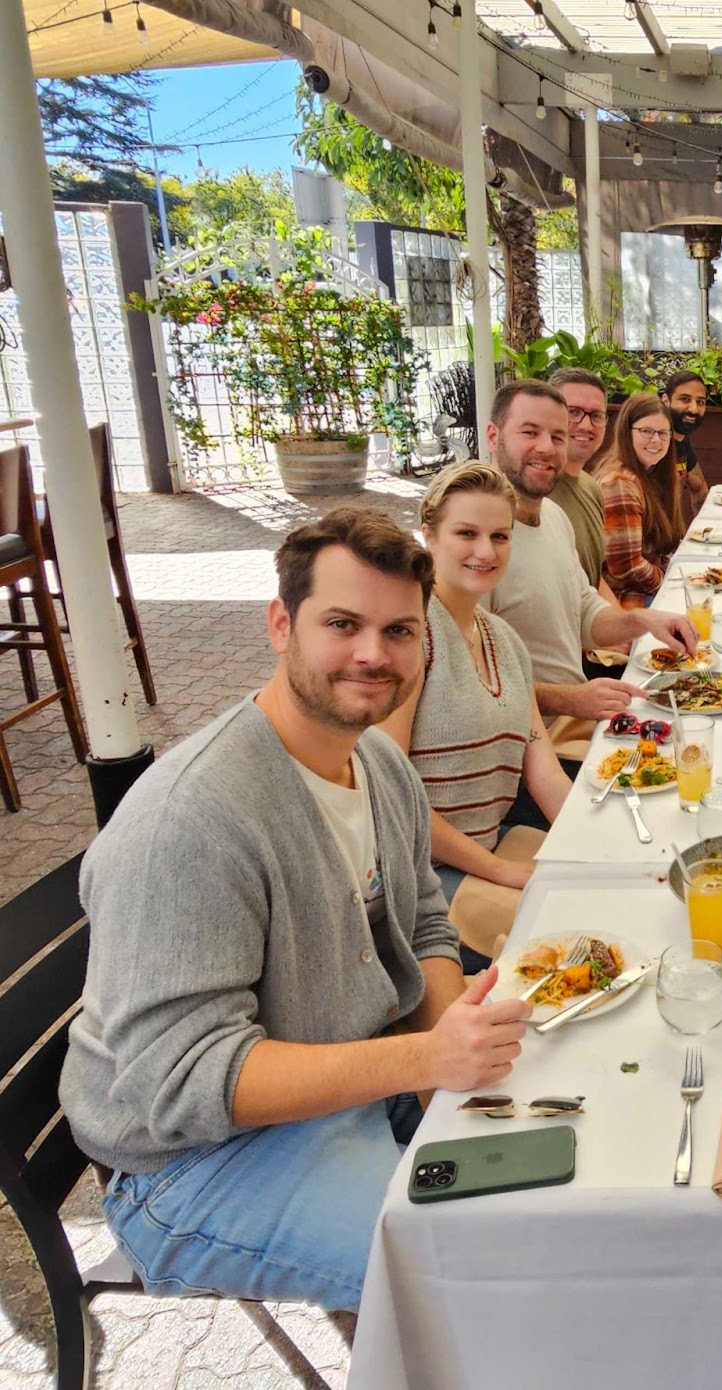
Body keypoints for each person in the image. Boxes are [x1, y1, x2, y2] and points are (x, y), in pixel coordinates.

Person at [60, 508, 532, 1313]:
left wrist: (458, 1079)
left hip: (348, 1074)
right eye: (341, 624)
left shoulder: (376, 758)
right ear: (281, 624)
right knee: (481, 1287)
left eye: (400, 631)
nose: (372, 656)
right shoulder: (192, 820)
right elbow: (183, 1082)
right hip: (195, 1167)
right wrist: (427, 1064)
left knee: (556, 1194)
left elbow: (423, 922)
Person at [379, 462, 572, 969]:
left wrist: (595, 841)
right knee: (569, 939)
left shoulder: (503, 639)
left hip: (489, 848)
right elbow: (392, 794)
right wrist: (499, 871)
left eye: (500, 536)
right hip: (421, 877)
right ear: (429, 536)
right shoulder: (411, 634)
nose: (486, 551)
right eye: (466, 533)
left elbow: (543, 766)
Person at [485, 378, 698, 724]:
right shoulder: (477, 542)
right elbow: (468, 679)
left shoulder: (553, 515)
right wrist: (570, 699)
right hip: (533, 736)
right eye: (529, 433)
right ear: (493, 437)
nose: (547, 447)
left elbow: (582, 607)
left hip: (578, 715)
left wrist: (643, 620)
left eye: (557, 436)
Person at [593, 391, 686, 607]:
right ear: (627, 432)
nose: (656, 440)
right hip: (625, 601)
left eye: (663, 433)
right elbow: (628, 568)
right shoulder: (620, 483)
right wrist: (669, 583)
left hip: (642, 590)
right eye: (646, 431)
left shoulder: (649, 475)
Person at [545, 366, 612, 592]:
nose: (586, 425)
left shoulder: (592, 487)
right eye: (573, 412)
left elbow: (593, 580)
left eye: (596, 415)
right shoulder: (535, 492)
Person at [661, 369, 711, 512]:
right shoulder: (654, 444)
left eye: (700, 402)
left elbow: (699, 488)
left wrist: (702, 529)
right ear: (665, 401)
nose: (694, 409)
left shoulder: (682, 441)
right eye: (685, 399)